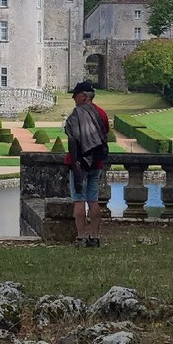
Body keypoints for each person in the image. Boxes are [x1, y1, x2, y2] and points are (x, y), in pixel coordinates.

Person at [63, 80, 109, 248]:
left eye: (75, 95)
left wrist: (76, 166)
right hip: (96, 163)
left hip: (79, 165)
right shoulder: (102, 113)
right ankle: (95, 237)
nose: (74, 99)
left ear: (83, 96)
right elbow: (104, 136)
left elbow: (73, 141)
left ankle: (82, 237)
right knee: (93, 200)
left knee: (79, 200)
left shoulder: (76, 114)